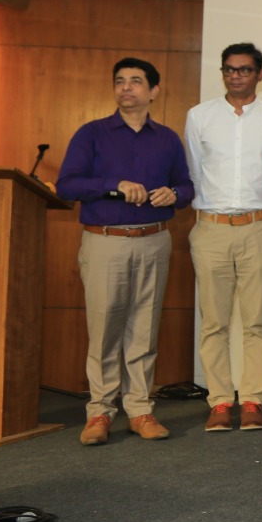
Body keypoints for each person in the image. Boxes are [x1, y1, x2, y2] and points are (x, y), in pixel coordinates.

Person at [58, 57, 195, 445]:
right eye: (120, 81)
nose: (126, 87)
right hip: (106, 240)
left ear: (153, 91)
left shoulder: (167, 138)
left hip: (154, 240)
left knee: (144, 329)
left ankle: (140, 410)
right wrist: (113, 184)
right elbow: (67, 186)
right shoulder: (92, 134)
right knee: (104, 330)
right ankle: (100, 412)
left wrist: (174, 193)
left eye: (135, 81)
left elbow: (186, 187)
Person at [184, 43, 262, 433]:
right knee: (214, 322)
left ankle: (253, 400)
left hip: (260, 227)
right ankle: (220, 401)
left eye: (244, 70)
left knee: (256, 322)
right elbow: (194, 171)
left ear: (259, 75)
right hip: (210, 228)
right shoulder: (199, 116)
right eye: (229, 69)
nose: (235, 76)